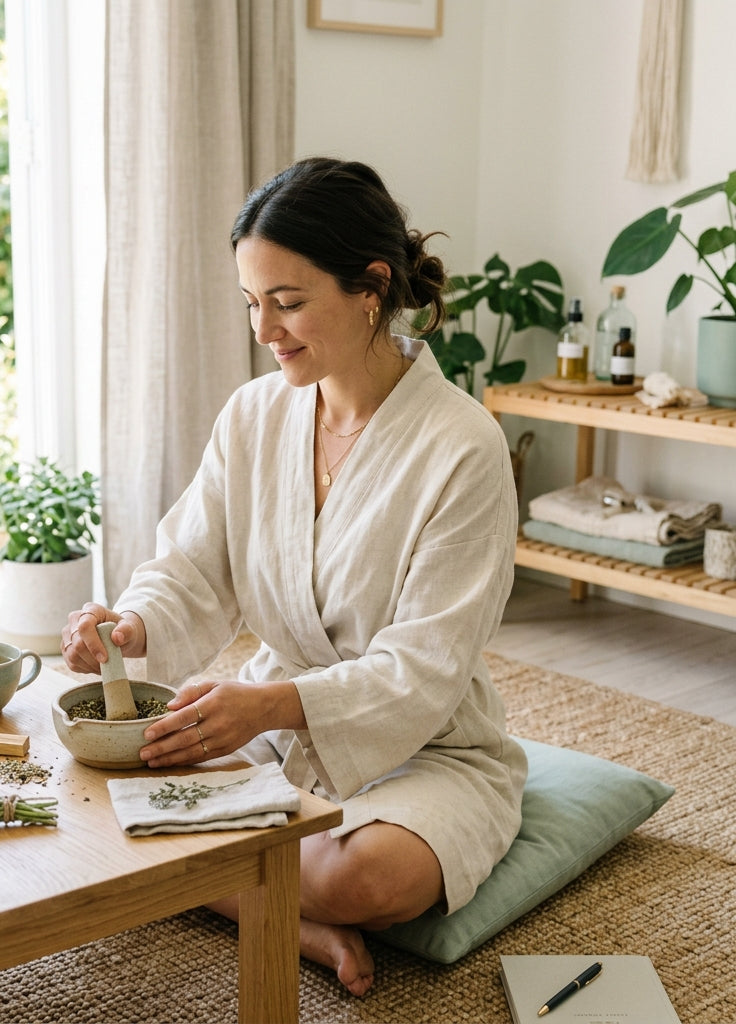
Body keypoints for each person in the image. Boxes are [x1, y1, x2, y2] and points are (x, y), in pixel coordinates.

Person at [61, 156, 527, 997]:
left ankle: (230, 885)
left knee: (372, 878)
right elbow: (191, 567)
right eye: (251, 303)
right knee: (102, 781)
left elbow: (421, 670)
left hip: (427, 742)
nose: (265, 331)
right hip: (276, 724)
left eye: (288, 302)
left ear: (371, 287)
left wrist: (266, 707)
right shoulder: (254, 414)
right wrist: (131, 626)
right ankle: (285, 915)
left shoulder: (463, 447)